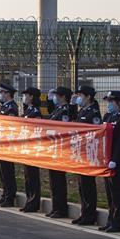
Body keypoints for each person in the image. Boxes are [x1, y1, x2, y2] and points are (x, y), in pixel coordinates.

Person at [100, 91, 120, 232]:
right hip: (107, 159)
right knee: (109, 191)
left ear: (119, 103)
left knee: (118, 192)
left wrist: (115, 159)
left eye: (111, 102)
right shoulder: (108, 116)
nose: (109, 104)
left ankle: (118, 222)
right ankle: (111, 220)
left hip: (117, 160)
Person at [71, 85, 101, 225]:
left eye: (81, 95)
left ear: (88, 97)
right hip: (80, 152)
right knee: (81, 185)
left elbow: (95, 133)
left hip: (88, 153)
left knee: (88, 186)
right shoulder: (83, 110)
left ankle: (89, 215)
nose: (78, 98)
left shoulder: (93, 113)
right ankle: (84, 213)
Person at [46, 86, 74, 219]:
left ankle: (61, 208)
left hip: (60, 148)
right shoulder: (57, 109)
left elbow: (63, 129)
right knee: (53, 180)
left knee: (59, 180)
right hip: (53, 148)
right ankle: (55, 206)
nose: (54, 97)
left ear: (63, 97)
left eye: (57, 95)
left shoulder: (65, 111)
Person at [0, 83, 19, 207]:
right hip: (0, 142)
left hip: (7, 143)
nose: (0, 94)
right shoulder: (3, 107)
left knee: (8, 171)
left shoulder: (12, 108)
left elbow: (11, 125)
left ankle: (10, 197)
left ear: (8, 93)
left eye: (2, 92)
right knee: (2, 171)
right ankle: (5, 195)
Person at [20, 87, 42, 213]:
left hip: (33, 147)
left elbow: (37, 129)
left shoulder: (35, 112)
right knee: (27, 176)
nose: (24, 97)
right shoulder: (27, 110)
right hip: (25, 146)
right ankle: (29, 200)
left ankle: (33, 202)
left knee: (33, 175)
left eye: (26, 95)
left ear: (31, 97)